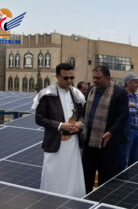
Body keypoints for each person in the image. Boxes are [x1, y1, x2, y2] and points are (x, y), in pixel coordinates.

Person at [33, 63, 86, 198]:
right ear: (56, 76)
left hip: (73, 143)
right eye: (65, 78)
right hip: (55, 143)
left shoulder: (77, 94)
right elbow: (39, 118)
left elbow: (83, 115)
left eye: (71, 78)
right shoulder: (47, 94)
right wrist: (60, 125)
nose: (69, 81)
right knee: (54, 175)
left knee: (72, 175)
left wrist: (80, 123)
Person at [81, 65, 129, 194]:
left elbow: (124, 115)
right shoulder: (91, 90)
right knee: (86, 175)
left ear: (107, 78)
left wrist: (112, 131)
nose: (95, 80)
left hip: (108, 143)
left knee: (105, 178)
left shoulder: (119, 93)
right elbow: (84, 111)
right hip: (89, 141)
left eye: (98, 78)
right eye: (93, 78)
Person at [120, 72, 138, 168]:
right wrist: (136, 108)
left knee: (135, 159)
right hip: (128, 131)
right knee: (124, 158)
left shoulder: (137, 96)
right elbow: (127, 111)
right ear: (128, 83)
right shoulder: (123, 95)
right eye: (135, 82)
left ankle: (131, 179)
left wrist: (134, 105)